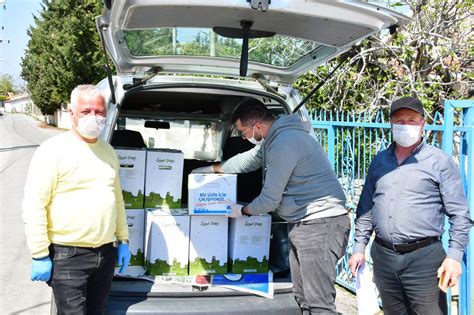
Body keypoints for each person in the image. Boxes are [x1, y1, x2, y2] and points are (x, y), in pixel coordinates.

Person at [193, 99, 350, 314]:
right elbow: (246, 161)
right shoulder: (273, 140)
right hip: (302, 223)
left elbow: (270, 200)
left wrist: (241, 211)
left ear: (257, 125)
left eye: (243, 132)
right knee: (303, 298)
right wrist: (210, 170)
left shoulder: (285, 142)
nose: (244, 137)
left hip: (320, 225)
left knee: (319, 303)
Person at [349, 97, 472, 315]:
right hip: (384, 257)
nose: (406, 126)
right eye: (400, 121)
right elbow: (366, 208)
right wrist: (359, 248)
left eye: (412, 120)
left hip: (424, 260)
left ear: (423, 124)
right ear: (391, 124)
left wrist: (453, 257)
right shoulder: (379, 162)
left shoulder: (439, 162)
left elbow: (460, 214)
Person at [22, 84, 131, 314]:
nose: (94, 117)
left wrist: (123, 240)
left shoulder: (108, 151)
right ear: (72, 113)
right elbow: (34, 204)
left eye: (100, 112)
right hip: (68, 256)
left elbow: (117, 199)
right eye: (86, 111)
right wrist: (40, 253)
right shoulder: (52, 150)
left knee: (98, 311)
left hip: (105, 253)